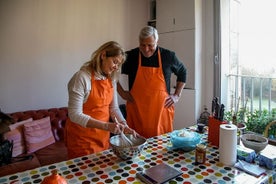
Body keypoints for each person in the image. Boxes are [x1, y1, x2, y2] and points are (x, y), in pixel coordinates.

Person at [65, 41, 137, 159]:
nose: (116, 67)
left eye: (118, 65)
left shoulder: (111, 79)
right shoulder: (82, 78)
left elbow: (113, 108)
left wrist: (124, 125)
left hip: (102, 138)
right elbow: (74, 114)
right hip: (82, 140)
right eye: (115, 62)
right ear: (103, 55)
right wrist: (107, 126)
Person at [117, 26, 187, 138]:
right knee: (136, 146)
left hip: (161, 115)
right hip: (136, 114)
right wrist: (121, 92)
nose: (146, 49)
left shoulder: (168, 56)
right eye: (142, 45)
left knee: (161, 148)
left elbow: (183, 72)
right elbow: (112, 71)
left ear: (157, 42)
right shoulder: (130, 56)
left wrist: (177, 95)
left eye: (150, 45)